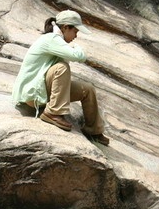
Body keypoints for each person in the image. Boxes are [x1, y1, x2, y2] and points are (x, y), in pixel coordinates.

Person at [12, 9, 109, 145]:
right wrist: (76, 46)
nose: (76, 36)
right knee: (61, 68)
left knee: (88, 89)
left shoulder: (58, 40)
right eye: (75, 31)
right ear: (65, 27)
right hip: (33, 95)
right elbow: (78, 56)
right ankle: (53, 113)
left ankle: (93, 131)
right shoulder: (51, 39)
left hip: (44, 91)